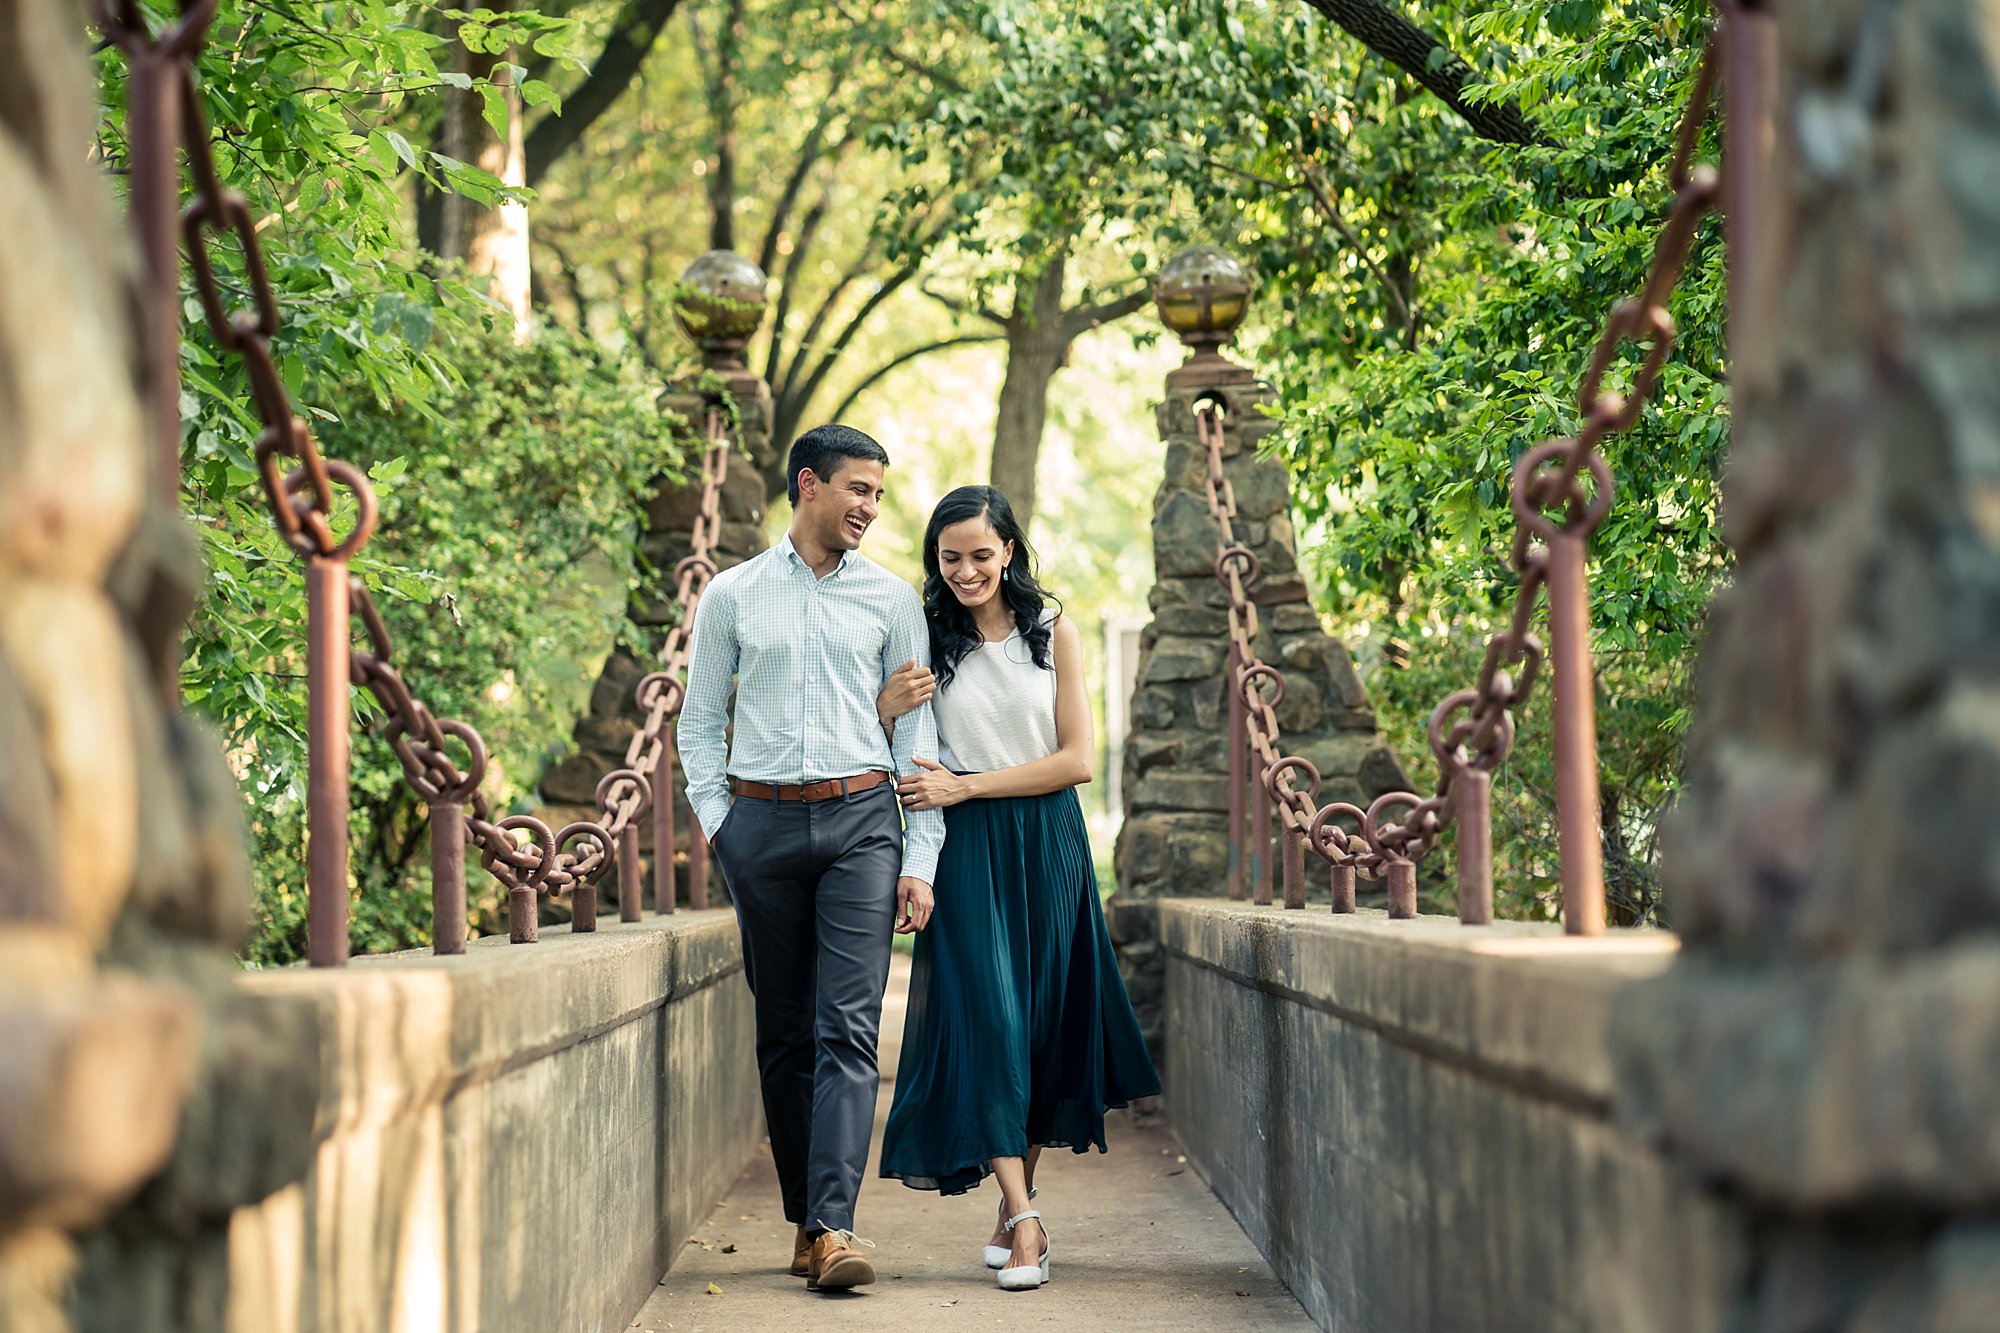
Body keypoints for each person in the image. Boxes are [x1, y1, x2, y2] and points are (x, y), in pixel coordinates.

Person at [874, 484, 1161, 1293]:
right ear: (935, 561)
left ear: (1008, 551)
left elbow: (1077, 760)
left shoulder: (1051, 630)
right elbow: (888, 744)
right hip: (967, 852)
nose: (965, 570)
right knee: (992, 1021)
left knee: (1038, 1027)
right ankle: (1027, 1220)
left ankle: (1013, 1202)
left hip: (1051, 843)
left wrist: (969, 785)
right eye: (949, 556)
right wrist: (883, 702)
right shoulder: (924, 638)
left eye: (980, 553)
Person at [677, 423, 943, 1293]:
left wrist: (921, 857)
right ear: (809, 485)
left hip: (864, 820)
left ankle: (834, 1226)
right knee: (784, 1032)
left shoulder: (892, 600)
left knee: (848, 1028)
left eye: (877, 493)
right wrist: (723, 827)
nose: (869, 506)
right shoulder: (733, 595)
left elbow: (919, 738)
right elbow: (696, 721)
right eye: (858, 488)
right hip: (760, 823)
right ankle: (806, 1217)